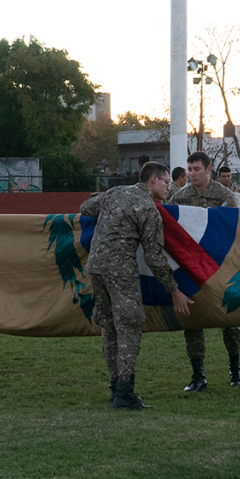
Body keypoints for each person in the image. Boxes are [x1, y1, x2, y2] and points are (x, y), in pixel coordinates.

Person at [80, 161, 192, 409]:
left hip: (96, 267)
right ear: (153, 179)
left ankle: (115, 388)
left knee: (109, 327)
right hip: (120, 271)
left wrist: (105, 200)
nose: (168, 187)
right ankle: (124, 392)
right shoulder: (148, 208)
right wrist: (174, 290)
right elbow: (154, 257)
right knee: (129, 325)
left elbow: (85, 207)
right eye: (166, 182)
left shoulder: (115, 192)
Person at [172, 152, 240, 391]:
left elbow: (232, 230)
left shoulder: (225, 196)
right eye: (189, 169)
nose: (191, 174)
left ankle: (235, 369)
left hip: (221, 266)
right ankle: (198, 375)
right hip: (191, 268)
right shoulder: (179, 197)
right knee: (192, 320)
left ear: (208, 169)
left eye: (196, 169)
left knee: (230, 320)